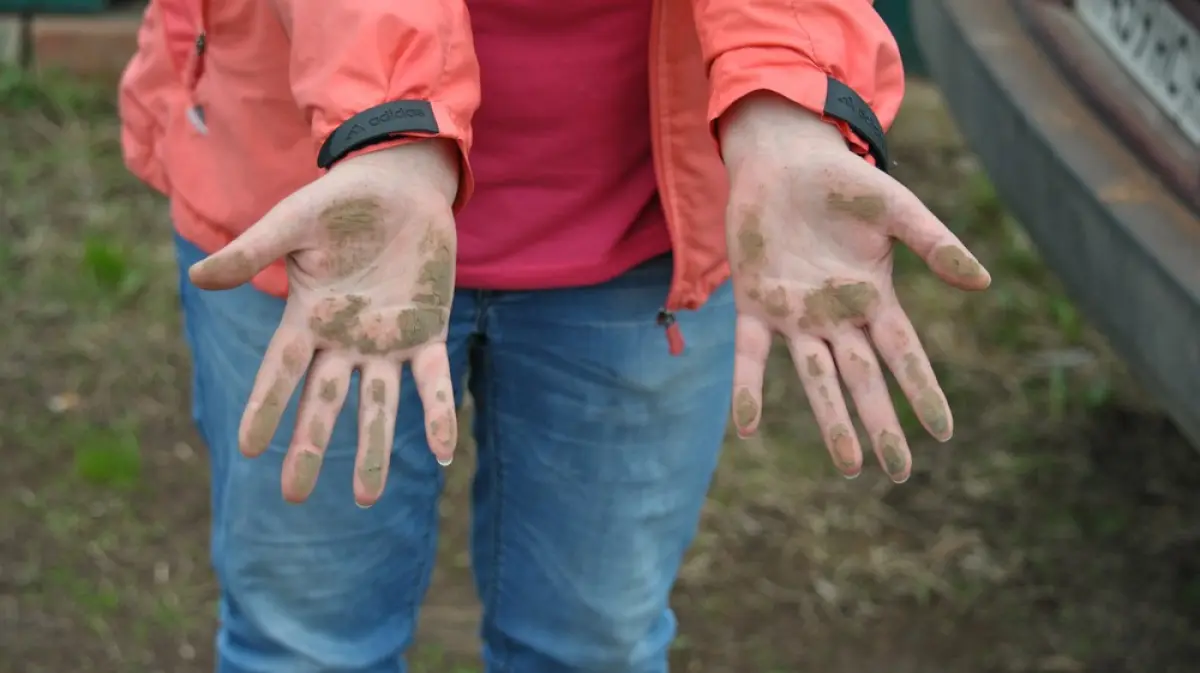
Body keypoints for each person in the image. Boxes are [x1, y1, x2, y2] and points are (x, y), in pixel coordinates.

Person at [118, 0, 990, 671]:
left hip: (647, 219)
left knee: (592, 649)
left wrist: (787, 95)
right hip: (316, 201)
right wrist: (383, 124)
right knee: (304, 645)